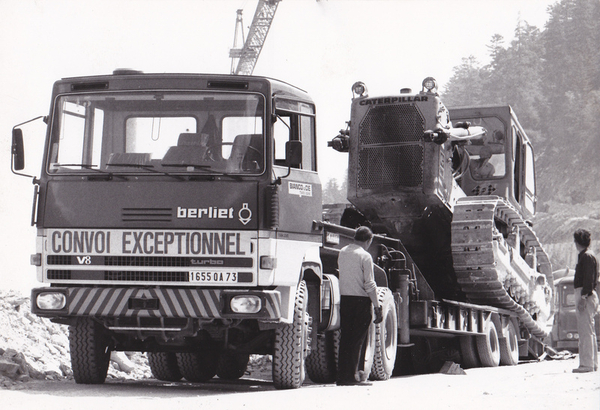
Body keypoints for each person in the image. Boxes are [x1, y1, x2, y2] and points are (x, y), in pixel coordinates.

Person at [336, 226, 383, 386]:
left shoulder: (343, 252)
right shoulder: (365, 256)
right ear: (369, 240)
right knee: (357, 340)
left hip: (345, 300)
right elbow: (369, 283)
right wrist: (377, 306)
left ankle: (342, 377)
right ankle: (352, 377)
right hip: (361, 302)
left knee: (346, 339)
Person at [572, 229, 599, 373]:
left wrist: (583, 297)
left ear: (577, 242)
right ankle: (592, 363)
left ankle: (586, 365)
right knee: (589, 331)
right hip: (587, 295)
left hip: (585, 295)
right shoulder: (589, 255)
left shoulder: (586, 257)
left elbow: (588, 280)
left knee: (585, 332)